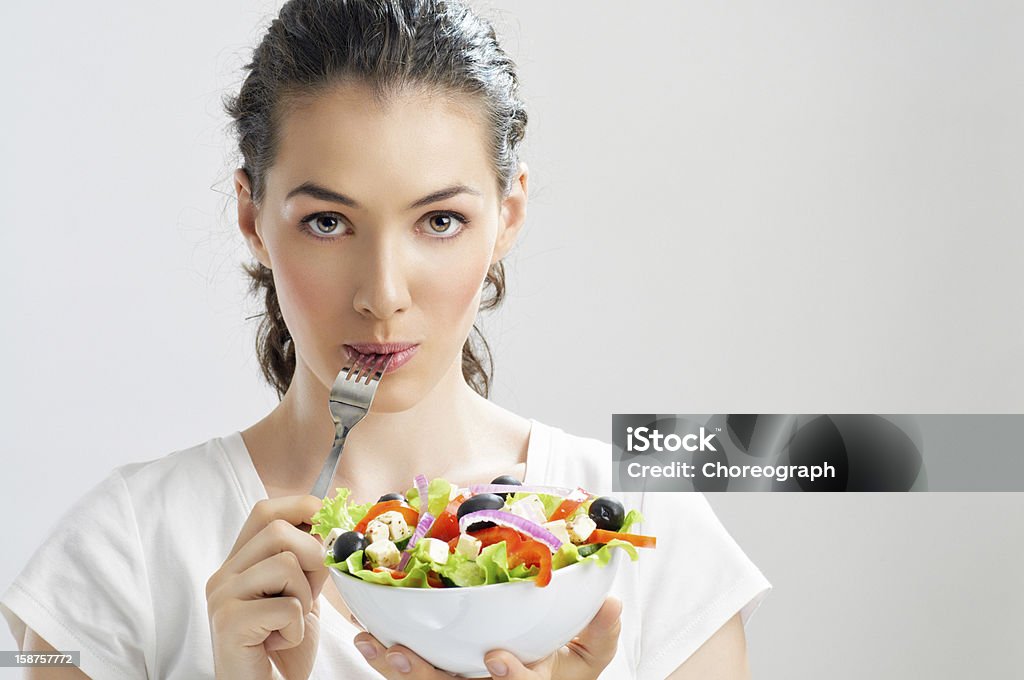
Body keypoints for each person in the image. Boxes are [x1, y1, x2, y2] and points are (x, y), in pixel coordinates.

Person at [0, 1, 771, 678]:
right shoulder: (123, 550)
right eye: (328, 223)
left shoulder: (647, 522)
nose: (384, 295)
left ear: (508, 214)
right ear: (251, 217)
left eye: (440, 221)